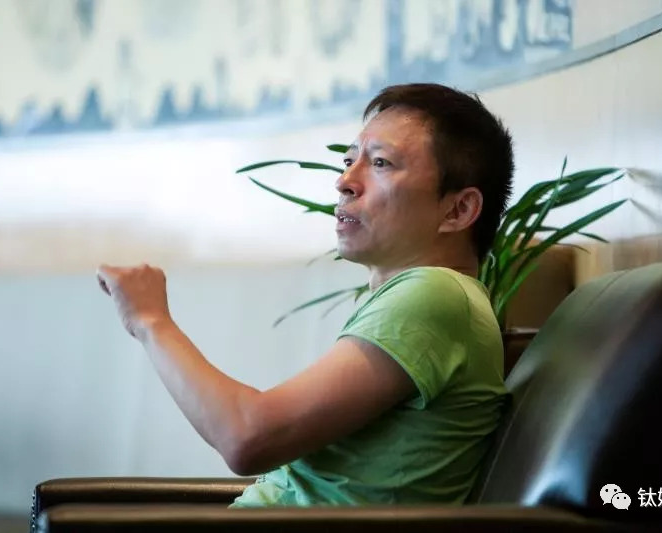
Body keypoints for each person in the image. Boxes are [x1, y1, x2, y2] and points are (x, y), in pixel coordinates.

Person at [96, 83, 514, 507]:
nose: (344, 182)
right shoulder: (428, 298)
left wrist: (151, 321)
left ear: (458, 210)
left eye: (380, 163)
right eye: (349, 161)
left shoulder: (435, 295)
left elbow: (246, 437)